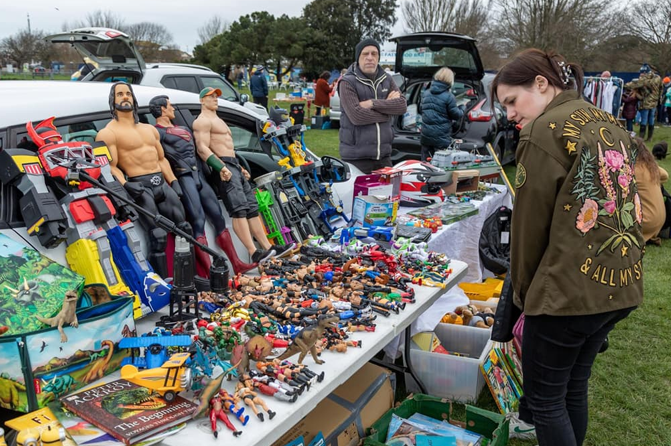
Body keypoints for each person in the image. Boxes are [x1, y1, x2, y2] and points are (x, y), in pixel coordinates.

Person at [492, 49, 643, 445]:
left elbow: (527, 228)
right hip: (617, 282)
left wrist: (522, 299)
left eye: (511, 100)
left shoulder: (543, 131)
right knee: (572, 386)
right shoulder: (605, 119)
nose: (508, 113)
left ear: (541, 84)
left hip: (566, 294)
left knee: (545, 400)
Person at [149, 94, 257, 275]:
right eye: (170, 105)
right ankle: (210, 273)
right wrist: (173, 183)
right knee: (198, 222)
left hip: (199, 176)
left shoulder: (183, 127)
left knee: (219, 218)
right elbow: (159, 158)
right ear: (162, 109)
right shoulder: (156, 132)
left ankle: (236, 263)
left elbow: (201, 150)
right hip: (183, 178)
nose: (173, 108)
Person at [96, 82, 190, 279]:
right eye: (120, 94)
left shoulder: (149, 129)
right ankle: (163, 283)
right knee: (158, 236)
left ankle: (186, 278)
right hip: (139, 185)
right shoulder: (108, 133)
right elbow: (110, 166)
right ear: (112, 100)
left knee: (184, 230)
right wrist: (125, 184)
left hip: (161, 183)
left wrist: (173, 181)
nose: (125, 97)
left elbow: (161, 158)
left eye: (128, 93)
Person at [193, 87, 294, 265]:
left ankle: (268, 247)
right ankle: (253, 251)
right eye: (211, 97)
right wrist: (221, 167)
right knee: (239, 210)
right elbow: (203, 148)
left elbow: (226, 147)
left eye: (217, 96)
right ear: (202, 100)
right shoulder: (202, 121)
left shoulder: (218, 120)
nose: (215, 99)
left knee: (251, 208)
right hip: (222, 168)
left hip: (232, 165)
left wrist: (239, 167)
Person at [338, 38, 407, 173]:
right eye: (365, 54)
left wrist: (372, 103)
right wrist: (388, 111)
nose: (370, 58)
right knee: (358, 195)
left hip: (384, 157)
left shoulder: (387, 79)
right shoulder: (347, 82)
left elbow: (402, 106)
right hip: (356, 158)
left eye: (374, 54)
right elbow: (357, 116)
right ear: (358, 57)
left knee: (387, 194)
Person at [419, 67, 464, 161]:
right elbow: (456, 115)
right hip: (441, 137)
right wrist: (463, 108)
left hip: (426, 135)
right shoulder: (449, 96)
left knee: (425, 163)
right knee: (440, 165)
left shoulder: (426, 93)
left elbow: (421, 109)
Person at [632, 138, 668, 245]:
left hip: (646, 222)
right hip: (660, 221)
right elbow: (665, 175)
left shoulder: (632, 169)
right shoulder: (649, 166)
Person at [625, 63, 662, 141]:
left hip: (646, 102)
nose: (641, 74)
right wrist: (659, 99)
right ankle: (650, 138)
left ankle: (641, 138)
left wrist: (624, 85)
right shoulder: (658, 78)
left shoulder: (643, 79)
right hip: (654, 102)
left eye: (641, 72)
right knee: (651, 119)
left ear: (645, 72)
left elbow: (632, 85)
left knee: (644, 120)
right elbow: (661, 89)